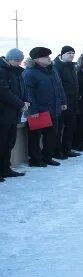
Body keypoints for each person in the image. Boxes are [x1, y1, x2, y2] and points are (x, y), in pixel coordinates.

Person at [22, 47, 66, 167]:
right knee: (35, 137)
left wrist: (63, 102)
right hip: (39, 112)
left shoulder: (53, 70)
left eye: (49, 56)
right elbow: (28, 93)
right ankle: (36, 160)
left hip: (53, 109)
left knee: (51, 136)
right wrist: (33, 110)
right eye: (46, 57)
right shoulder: (29, 72)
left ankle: (47, 157)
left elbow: (59, 88)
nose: (49, 59)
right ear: (36, 59)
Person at [0, 48, 28, 180]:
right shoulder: (2, 70)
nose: (19, 63)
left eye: (20, 61)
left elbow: (23, 89)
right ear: (9, 58)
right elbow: (4, 92)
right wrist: (21, 104)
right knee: (2, 142)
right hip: (3, 113)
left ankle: (5, 168)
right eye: (16, 60)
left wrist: (26, 101)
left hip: (13, 113)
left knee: (9, 143)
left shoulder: (17, 72)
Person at [53, 45, 79, 159]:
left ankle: (67, 149)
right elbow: (58, 86)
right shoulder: (56, 66)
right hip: (61, 104)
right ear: (62, 54)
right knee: (58, 129)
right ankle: (57, 151)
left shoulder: (72, 66)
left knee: (71, 127)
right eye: (69, 53)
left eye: (73, 53)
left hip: (73, 103)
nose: (72, 55)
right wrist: (62, 102)